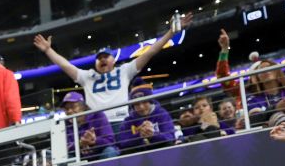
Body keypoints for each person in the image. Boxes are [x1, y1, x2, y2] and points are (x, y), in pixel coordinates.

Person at [33, 11, 192, 123]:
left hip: (121, 121)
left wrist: (171, 33)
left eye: (105, 57)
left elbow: (150, 51)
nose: (102, 60)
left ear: (113, 60)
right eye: (99, 58)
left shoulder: (125, 71)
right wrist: (48, 50)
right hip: (97, 124)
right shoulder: (86, 76)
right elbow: (64, 64)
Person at [243, 60, 285, 127]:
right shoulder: (253, 100)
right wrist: (276, 108)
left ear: (277, 71)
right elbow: (254, 120)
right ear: (257, 77)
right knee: (277, 116)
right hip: (272, 133)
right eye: (261, 69)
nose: (265, 71)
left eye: (268, 67)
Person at [115, 85, 176, 153]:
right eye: (137, 104)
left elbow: (170, 137)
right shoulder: (128, 121)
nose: (141, 107)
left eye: (144, 102)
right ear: (133, 106)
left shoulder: (162, 114)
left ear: (150, 101)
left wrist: (153, 135)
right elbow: (122, 143)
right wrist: (139, 136)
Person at [58, 90, 116, 160]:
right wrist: (80, 144)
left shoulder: (98, 115)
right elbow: (64, 148)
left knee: (110, 151)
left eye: (73, 107)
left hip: (100, 155)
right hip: (80, 159)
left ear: (83, 107)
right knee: (64, 158)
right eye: (66, 109)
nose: (69, 111)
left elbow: (110, 140)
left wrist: (94, 141)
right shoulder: (64, 124)